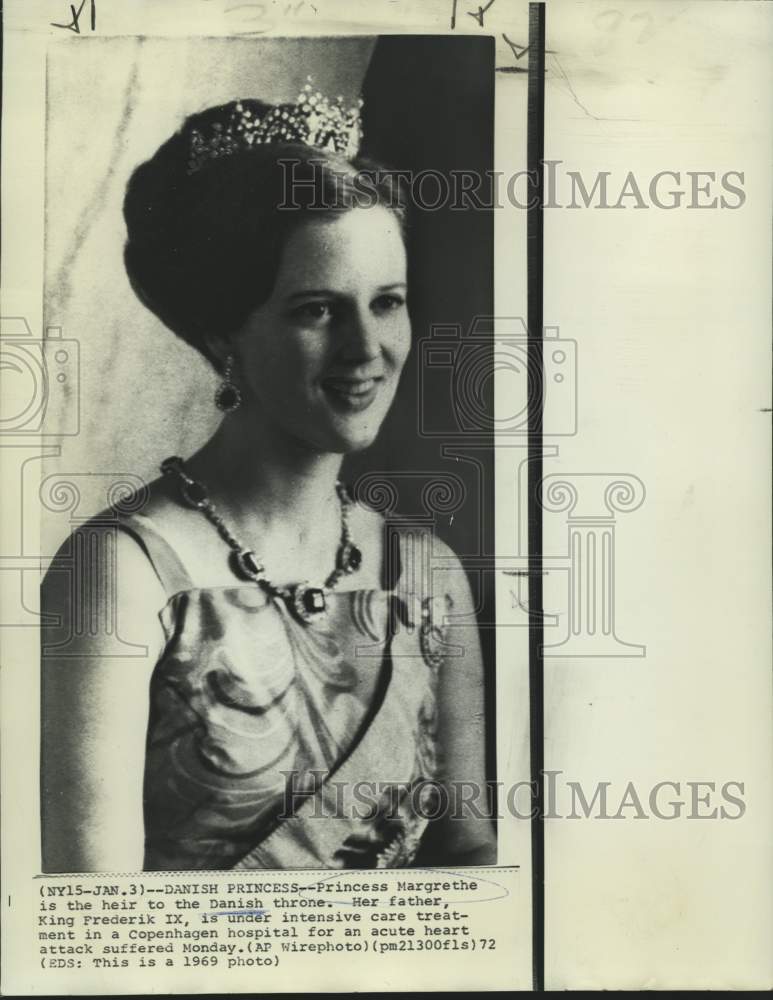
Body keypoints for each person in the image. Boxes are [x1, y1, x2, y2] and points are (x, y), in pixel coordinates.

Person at [40, 83, 496, 872]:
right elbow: (92, 923)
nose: (366, 349)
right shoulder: (120, 575)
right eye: (316, 310)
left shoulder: (427, 573)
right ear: (224, 334)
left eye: (387, 303)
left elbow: (468, 863)